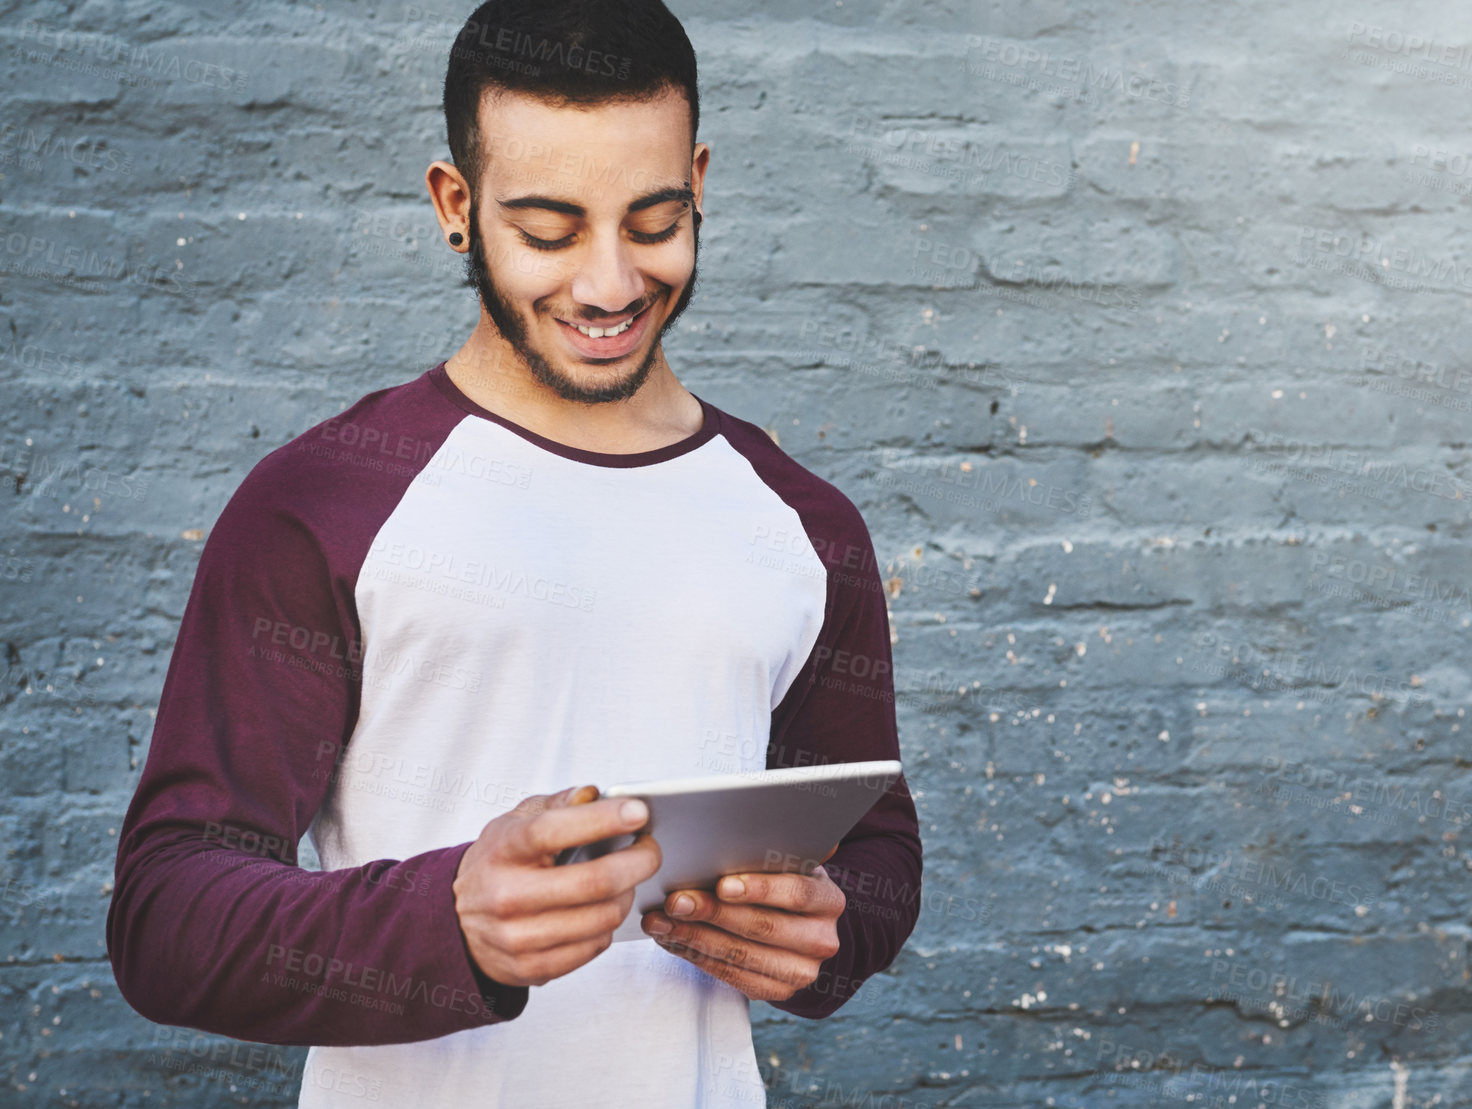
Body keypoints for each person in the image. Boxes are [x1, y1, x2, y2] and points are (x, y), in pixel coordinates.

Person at [104, 1, 923, 1104]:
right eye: (547, 229)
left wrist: (826, 929)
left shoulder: (801, 520)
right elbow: (166, 915)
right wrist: (449, 922)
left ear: (699, 179)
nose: (607, 285)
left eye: (653, 220)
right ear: (457, 204)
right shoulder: (325, 499)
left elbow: (874, 855)